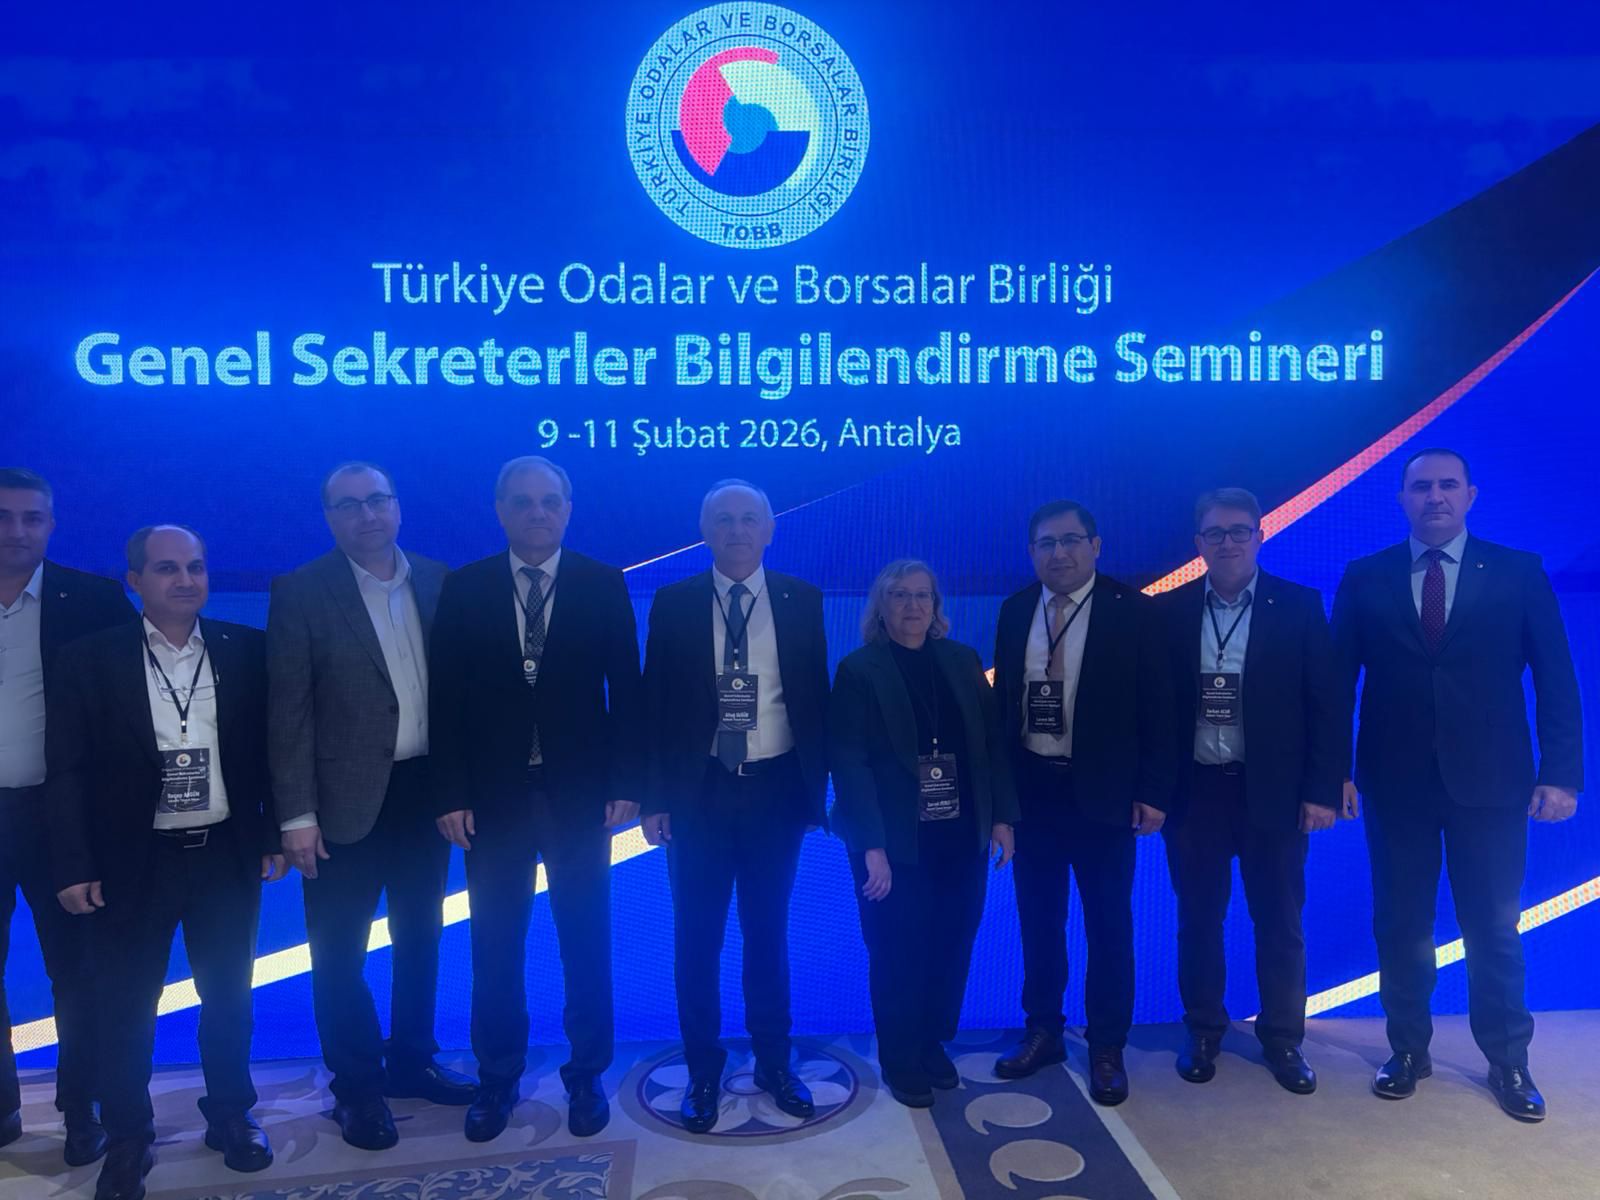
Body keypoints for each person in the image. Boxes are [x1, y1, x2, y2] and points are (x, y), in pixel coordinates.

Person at [1333, 448, 1583, 1122]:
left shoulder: (1519, 571)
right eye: (1421, 487)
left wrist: (1561, 774)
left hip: (1494, 784)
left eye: (1448, 485)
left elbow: (1556, 678)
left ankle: (1509, 1059)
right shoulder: (1365, 576)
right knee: (1401, 925)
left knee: (1493, 926)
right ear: (1402, 499)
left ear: (1471, 495)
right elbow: (1335, 684)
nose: (1435, 497)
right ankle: (1406, 1050)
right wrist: (1334, 770)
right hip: (1395, 784)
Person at [47, 525, 286, 1200]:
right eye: (167, 568)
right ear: (135, 581)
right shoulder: (89, 659)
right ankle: (129, 1136)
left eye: (196, 567)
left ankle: (231, 1115)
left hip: (224, 855)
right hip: (131, 861)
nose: (186, 579)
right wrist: (72, 863)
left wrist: (271, 834)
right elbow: (66, 770)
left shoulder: (247, 650)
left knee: (230, 997)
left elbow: (269, 752)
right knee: (126, 1007)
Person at [428, 456, 642, 1142]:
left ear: (568, 509)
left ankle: (587, 1074)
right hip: (493, 798)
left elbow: (626, 692)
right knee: (495, 944)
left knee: (585, 939)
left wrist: (626, 782)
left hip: (580, 796)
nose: (537, 512)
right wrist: (451, 791)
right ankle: (497, 1078)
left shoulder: (603, 583)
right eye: (522, 501)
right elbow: (445, 700)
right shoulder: (465, 588)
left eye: (550, 501)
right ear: (500, 511)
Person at [267, 462, 474, 1152]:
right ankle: (355, 1088)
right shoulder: (301, 590)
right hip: (340, 804)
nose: (367, 515)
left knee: (421, 937)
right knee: (339, 953)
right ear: (330, 517)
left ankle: (412, 1061)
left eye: (378, 500)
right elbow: (287, 712)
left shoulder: (439, 580)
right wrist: (296, 816)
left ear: (397, 506)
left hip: (427, 794)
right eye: (349, 505)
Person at [640, 480, 830, 1133]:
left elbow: (814, 701)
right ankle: (702, 1070)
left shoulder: (802, 600)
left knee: (767, 934)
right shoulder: (674, 602)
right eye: (724, 519)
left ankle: (775, 1062)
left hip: (776, 793)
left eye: (750, 519)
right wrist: (655, 798)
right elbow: (655, 705)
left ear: (769, 530)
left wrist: (816, 793)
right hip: (699, 794)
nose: (737, 530)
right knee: (696, 939)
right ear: (705, 531)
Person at [1153, 488, 1343, 1094]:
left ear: (1261, 536)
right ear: (1198, 544)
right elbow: (1153, 713)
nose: (1228, 542)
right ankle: (1203, 1030)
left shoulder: (1300, 604)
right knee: (1198, 920)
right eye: (1215, 533)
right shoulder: (1170, 611)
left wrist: (1322, 790)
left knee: (1280, 921)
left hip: (1276, 794)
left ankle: (1283, 1038)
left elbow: (1326, 704)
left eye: (1240, 531)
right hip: (1195, 794)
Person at [991, 500, 1175, 1106]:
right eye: (1046, 543)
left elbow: (1161, 710)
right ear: (1031, 553)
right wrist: (1001, 801)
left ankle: (1106, 1046)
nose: (1059, 553)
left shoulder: (1135, 611)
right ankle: (1042, 1031)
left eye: (1071, 540)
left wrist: (1154, 791)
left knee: (1109, 924)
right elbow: (1005, 712)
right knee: (1039, 921)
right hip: (1033, 795)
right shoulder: (1016, 609)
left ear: (1096, 546)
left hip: (1106, 796)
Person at [829, 559, 1017, 1108]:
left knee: (952, 942)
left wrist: (1002, 818)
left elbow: (991, 745)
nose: (912, 606)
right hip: (893, 842)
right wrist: (871, 847)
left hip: (960, 833)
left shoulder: (962, 661)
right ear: (880, 606)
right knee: (896, 948)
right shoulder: (859, 670)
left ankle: (932, 1041)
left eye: (922, 595)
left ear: (936, 606)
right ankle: (900, 1054)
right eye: (899, 595)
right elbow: (849, 762)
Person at [0, 467, 132, 1164]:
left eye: (31, 518)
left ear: (51, 525)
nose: (16, 531)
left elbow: (127, 711)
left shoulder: (95, 600)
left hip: (63, 817)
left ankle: (84, 1108)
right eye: (3, 517)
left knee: (78, 972)